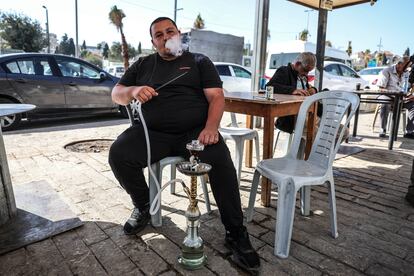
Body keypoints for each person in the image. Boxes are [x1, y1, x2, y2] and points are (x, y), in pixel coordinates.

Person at [108, 17, 260, 272]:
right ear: (153, 41)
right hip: (152, 133)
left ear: (179, 34)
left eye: (170, 31)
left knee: (221, 163)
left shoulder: (199, 61)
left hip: (195, 134)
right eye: (159, 34)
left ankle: (236, 232)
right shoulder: (143, 64)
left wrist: (211, 128)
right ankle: (144, 205)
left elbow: (216, 98)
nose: (165, 36)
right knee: (119, 153)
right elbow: (116, 93)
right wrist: (133, 91)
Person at [266, 52, 317, 134]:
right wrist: (292, 90)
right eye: (305, 70)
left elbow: (307, 88)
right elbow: (270, 86)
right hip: (292, 116)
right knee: (320, 135)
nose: (306, 74)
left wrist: (313, 89)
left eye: (308, 71)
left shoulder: (302, 76)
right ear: (297, 64)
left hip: (308, 113)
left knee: (341, 131)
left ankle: (306, 146)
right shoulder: (284, 71)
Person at [377, 57, 414, 139]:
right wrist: (394, 94)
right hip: (388, 96)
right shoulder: (387, 71)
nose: (407, 69)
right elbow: (381, 89)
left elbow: (405, 88)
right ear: (399, 64)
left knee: (413, 105)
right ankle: (382, 129)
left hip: (401, 98)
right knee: (385, 103)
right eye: (405, 67)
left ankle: (409, 131)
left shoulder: (406, 73)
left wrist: (409, 95)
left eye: (408, 67)